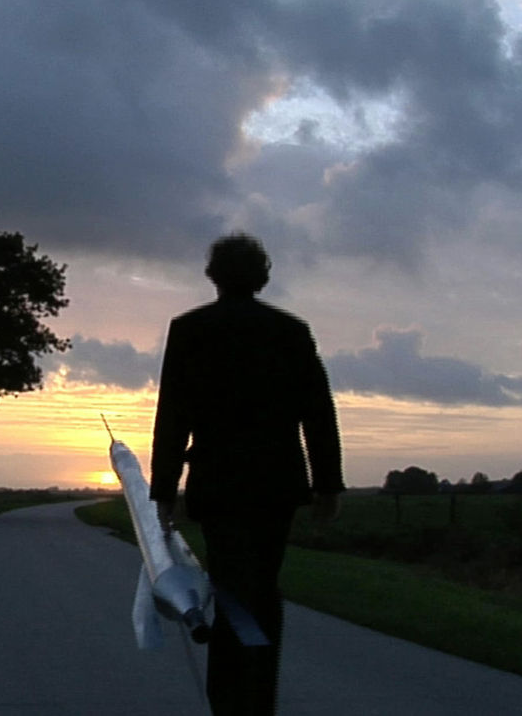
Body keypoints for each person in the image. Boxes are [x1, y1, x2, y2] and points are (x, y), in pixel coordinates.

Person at [150, 233, 344, 715]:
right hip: (276, 483)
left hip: (218, 482)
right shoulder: (290, 331)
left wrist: (164, 488)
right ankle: (256, 696)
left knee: (233, 585)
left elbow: (172, 414)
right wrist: (327, 484)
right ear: (263, 275)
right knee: (261, 586)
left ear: (213, 275)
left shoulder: (190, 329)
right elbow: (318, 412)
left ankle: (230, 699)